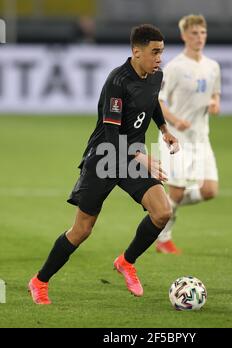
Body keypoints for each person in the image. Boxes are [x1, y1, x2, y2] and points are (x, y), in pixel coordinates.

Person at [28, 24, 179, 304]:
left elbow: (152, 102)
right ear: (136, 51)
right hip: (104, 158)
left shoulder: (156, 75)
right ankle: (39, 281)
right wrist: (141, 155)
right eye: (154, 52)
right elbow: (111, 136)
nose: (160, 58)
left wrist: (164, 129)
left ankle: (126, 261)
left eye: (162, 52)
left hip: (132, 156)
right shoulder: (117, 82)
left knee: (162, 212)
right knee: (82, 230)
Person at [156, 14, 221, 254]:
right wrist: (175, 120)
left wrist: (215, 103)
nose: (199, 37)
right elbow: (159, 101)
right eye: (194, 33)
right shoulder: (175, 67)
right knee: (177, 191)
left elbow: (215, 95)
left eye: (202, 33)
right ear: (184, 36)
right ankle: (163, 237)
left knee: (209, 190)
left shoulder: (212, 66)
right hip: (176, 139)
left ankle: (163, 209)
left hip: (201, 138)